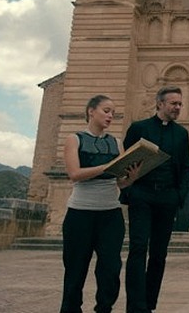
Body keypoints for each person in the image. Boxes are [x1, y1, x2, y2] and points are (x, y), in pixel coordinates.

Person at [60, 95, 139, 313]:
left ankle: (104, 309)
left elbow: (120, 181)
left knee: (111, 269)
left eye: (113, 112)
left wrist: (131, 177)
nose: (110, 115)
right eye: (106, 110)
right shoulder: (74, 139)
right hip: (80, 214)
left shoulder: (115, 143)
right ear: (91, 111)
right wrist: (105, 167)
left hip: (110, 215)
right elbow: (74, 174)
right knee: (75, 270)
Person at [122, 86, 189, 313]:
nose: (178, 108)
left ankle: (149, 303)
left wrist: (178, 196)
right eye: (174, 103)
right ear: (160, 104)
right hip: (142, 194)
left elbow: (185, 167)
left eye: (180, 104)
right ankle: (135, 306)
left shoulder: (182, 134)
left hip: (167, 198)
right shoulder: (138, 128)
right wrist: (131, 189)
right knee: (138, 248)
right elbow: (125, 160)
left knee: (159, 253)